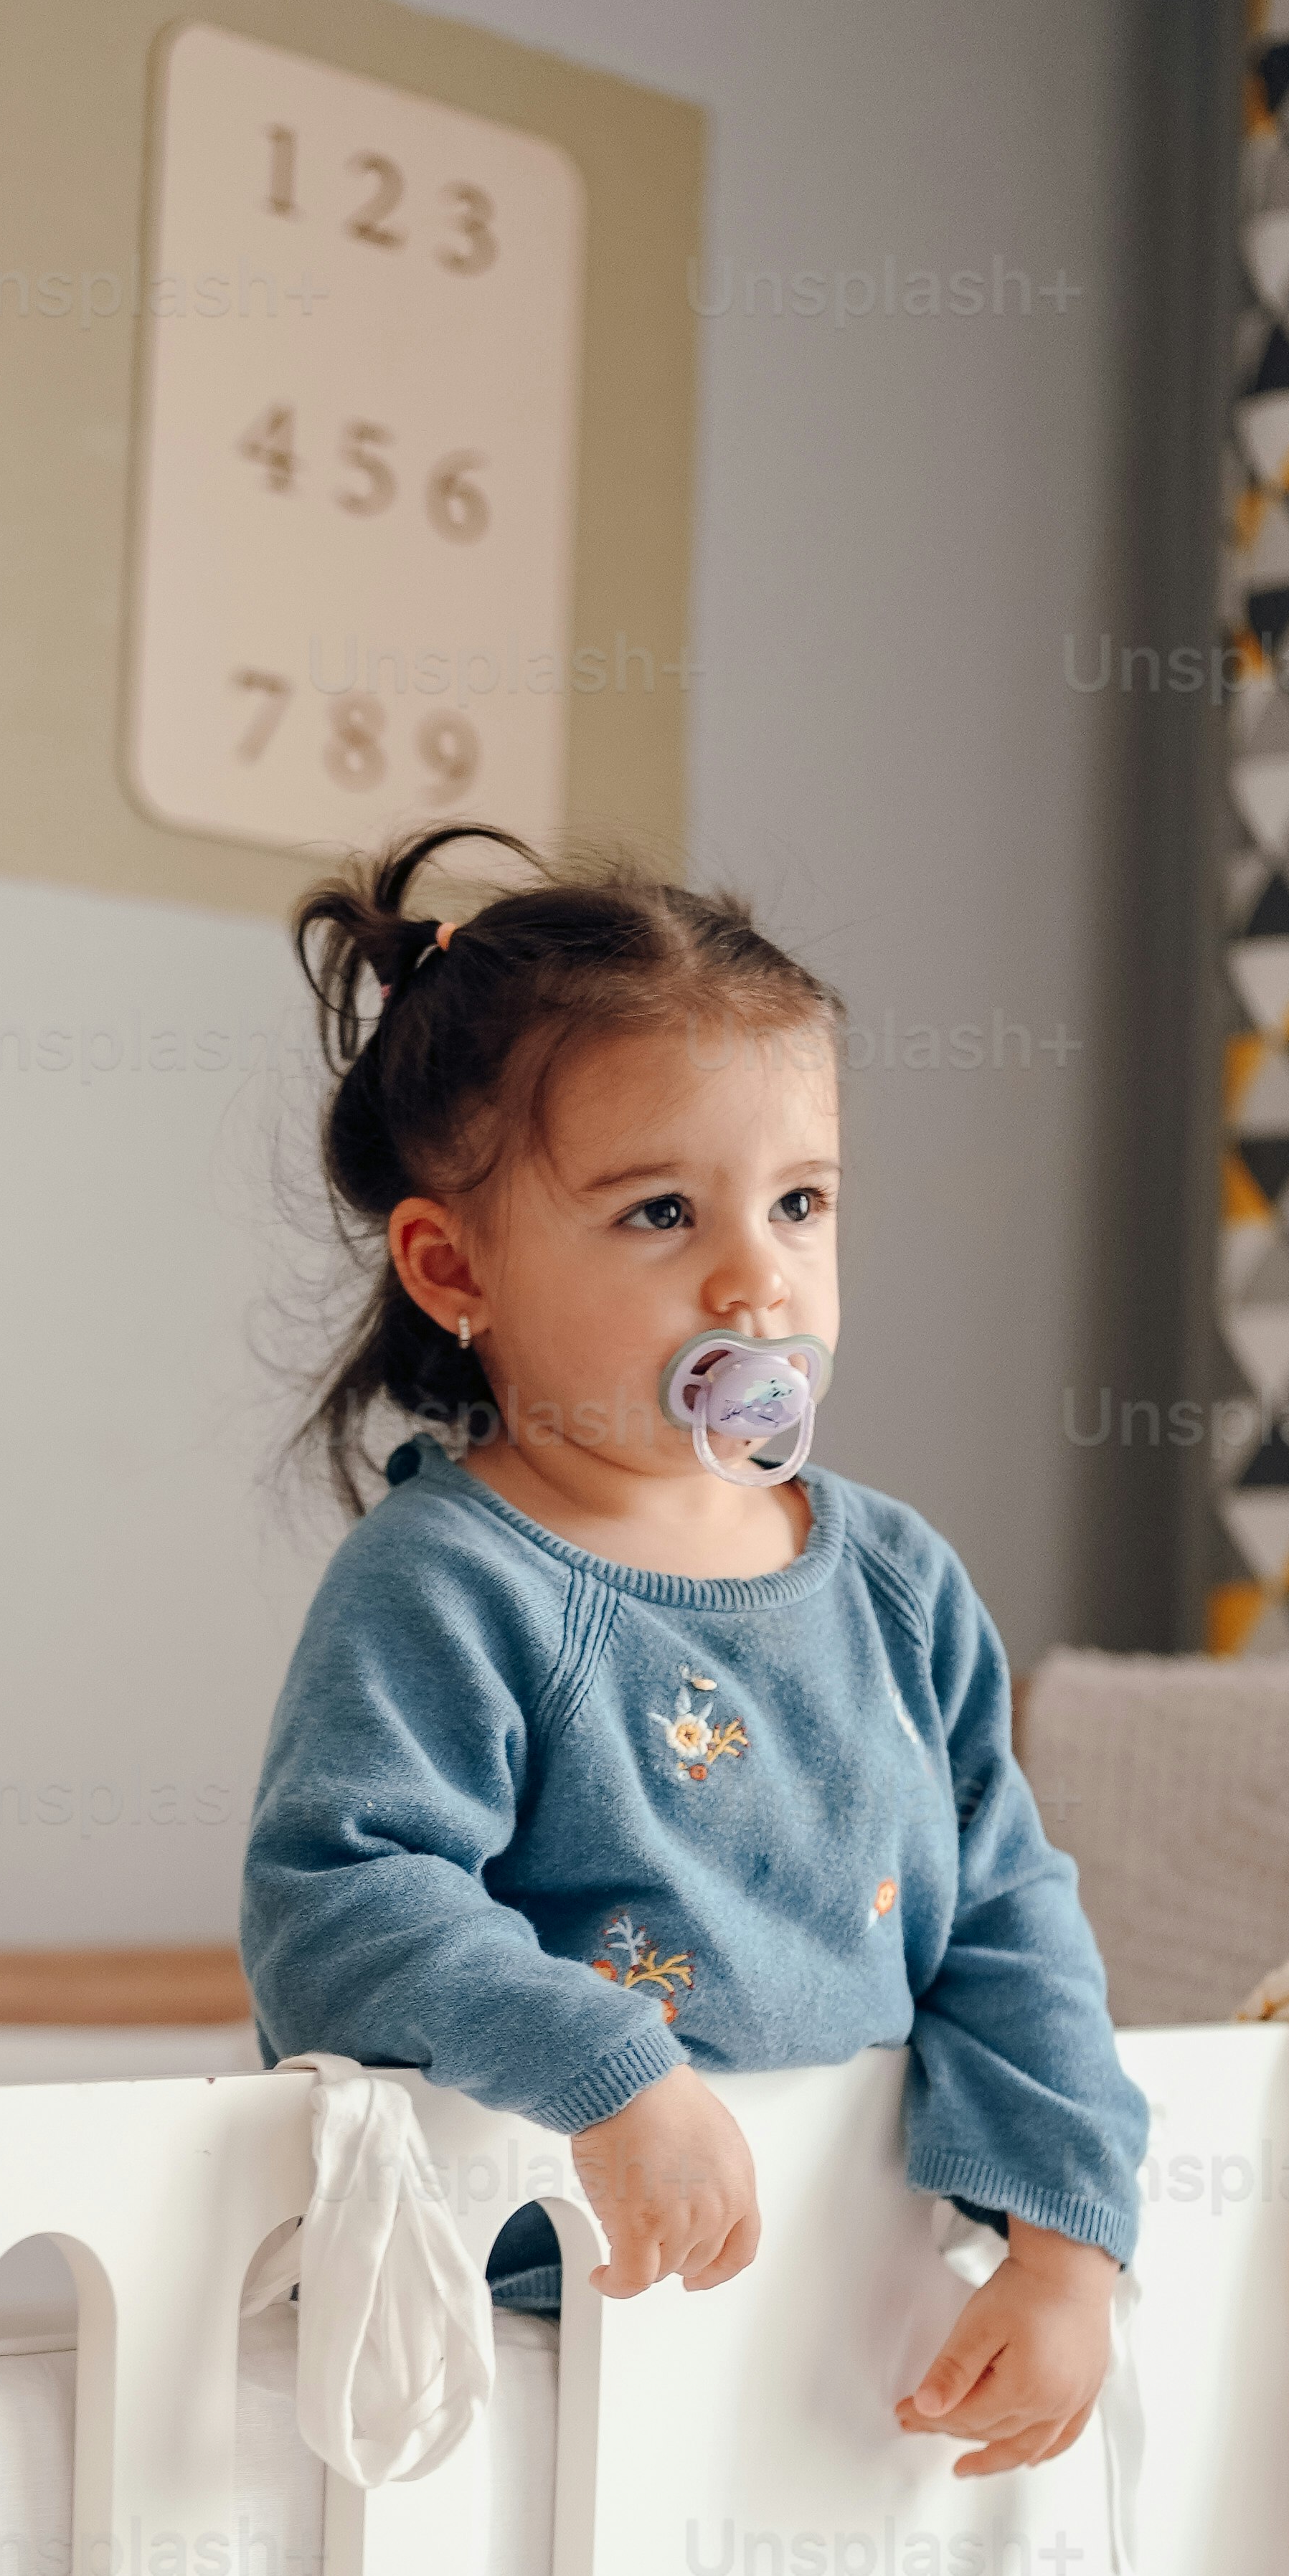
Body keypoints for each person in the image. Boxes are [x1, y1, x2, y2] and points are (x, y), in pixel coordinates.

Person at [240, 825, 1143, 2479]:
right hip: (552, 2302)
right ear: (455, 1267)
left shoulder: (893, 1579)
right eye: (661, 1211)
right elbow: (343, 1901)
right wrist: (611, 2078)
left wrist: (1065, 2241)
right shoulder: (450, 1581)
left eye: (799, 1203)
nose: (756, 1276)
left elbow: (1004, 1913)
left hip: (846, 2294)